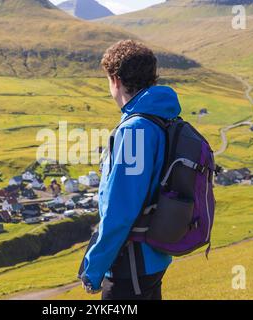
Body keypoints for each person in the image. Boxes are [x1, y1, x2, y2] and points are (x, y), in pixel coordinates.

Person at [80, 40, 182, 300]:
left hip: (130, 263)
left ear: (115, 79)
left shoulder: (135, 130)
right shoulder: (163, 117)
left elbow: (121, 210)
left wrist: (93, 268)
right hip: (153, 256)